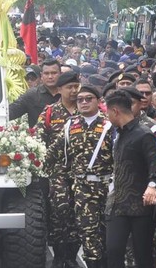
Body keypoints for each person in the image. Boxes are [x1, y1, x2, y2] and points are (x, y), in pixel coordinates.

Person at [55, 85, 113, 268]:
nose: (84, 102)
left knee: (110, 234)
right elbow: (53, 153)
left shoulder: (110, 124)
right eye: (80, 100)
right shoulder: (70, 125)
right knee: (88, 234)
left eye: (89, 98)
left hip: (109, 188)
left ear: (98, 101)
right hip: (83, 190)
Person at [104, 90, 156, 268]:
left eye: (107, 112)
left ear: (115, 111)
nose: (107, 116)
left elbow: (154, 165)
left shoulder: (144, 134)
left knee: (142, 253)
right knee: (113, 249)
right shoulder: (118, 133)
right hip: (119, 204)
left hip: (140, 205)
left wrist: (152, 186)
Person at [35, 71, 81, 267]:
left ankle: (71, 256)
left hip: (83, 173)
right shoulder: (49, 112)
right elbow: (38, 141)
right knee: (59, 211)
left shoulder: (87, 109)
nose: (73, 91)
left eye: (76, 86)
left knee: (80, 212)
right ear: (59, 90)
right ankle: (60, 255)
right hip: (58, 172)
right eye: (69, 87)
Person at [10, 59, 62, 128]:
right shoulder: (32, 95)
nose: (50, 77)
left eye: (54, 73)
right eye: (46, 73)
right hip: (40, 137)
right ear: (41, 75)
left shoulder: (68, 93)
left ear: (60, 74)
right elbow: (11, 112)